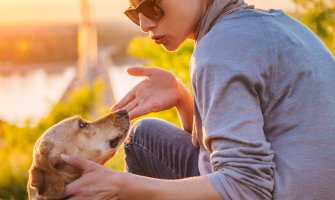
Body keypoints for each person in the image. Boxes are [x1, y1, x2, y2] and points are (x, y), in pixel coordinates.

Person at [61, 0, 335, 199]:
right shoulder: (283, 26)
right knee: (145, 136)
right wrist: (182, 98)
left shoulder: (219, 48)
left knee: (141, 141)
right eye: (134, 12)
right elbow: (228, 148)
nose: (145, 24)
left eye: (152, 5)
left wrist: (122, 185)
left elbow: (247, 186)